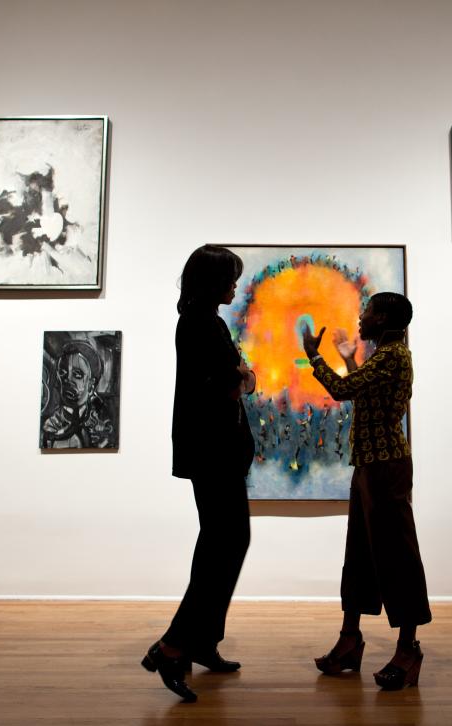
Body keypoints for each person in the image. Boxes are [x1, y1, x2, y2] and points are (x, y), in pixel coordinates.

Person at [142, 244, 256, 703]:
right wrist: (243, 376)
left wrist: (239, 375)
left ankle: (203, 640)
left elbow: (229, 379)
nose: (234, 285)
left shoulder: (202, 322)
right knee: (222, 546)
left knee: (224, 543)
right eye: (230, 278)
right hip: (214, 453)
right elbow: (232, 384)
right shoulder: (202, 325)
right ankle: (173, 646)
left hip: (214, 452)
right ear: (212, 282)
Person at [301, 291, 431, 691]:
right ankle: (349, 639)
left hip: (386, 468)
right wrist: (348, 359)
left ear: (387, 319)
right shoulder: (385, 355)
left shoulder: (393, 355)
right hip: (371, 465)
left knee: (397, 555)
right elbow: (363, 391)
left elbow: (344, 391)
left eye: (369, 312)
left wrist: (314, 356)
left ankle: (408, 648)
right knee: (359, 554)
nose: (361, 316)